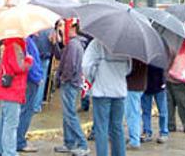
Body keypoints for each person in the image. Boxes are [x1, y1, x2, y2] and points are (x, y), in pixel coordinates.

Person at [83, 38, 131, 156]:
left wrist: (93, 78)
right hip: (119, 91)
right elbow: (128, 69)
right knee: (117, 128)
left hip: (102, 91)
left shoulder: (96, 44)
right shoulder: (125, 46)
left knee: (101, 129)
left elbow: (85, 66)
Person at [51, 21, 90, 156]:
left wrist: (63, 78)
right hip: (72, 82)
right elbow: (61, 56)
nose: (68, 30)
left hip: (70, 83)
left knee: (70, 115)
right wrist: (56, 43)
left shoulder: (74, 45)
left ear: (75, 30)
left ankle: (82, 144)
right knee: (68, 113)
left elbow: (70, 65)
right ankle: (69, 142)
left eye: (71, 28)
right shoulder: (75, 44)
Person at [0, 37, 34, 156]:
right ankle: (9, 152)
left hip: (7, 92)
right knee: (11, 124)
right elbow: (19, 67)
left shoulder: (11, 45)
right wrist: (29, 60)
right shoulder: (15, 46)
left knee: (3, 122)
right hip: (13, 91)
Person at [16, 33, 44, 153]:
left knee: (25, 110)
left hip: (30, 80)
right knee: (27, 111)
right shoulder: (27, 42)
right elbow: (31, 63)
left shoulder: (29, 41)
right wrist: (37, 78)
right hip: (30, 81)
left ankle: (19, 138)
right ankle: (20, 141)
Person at [140, 64, 168, 144]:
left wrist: (163, 82)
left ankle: (163, 132)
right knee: (146, 112)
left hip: (158, 85)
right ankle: (147, 131)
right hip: (147, 85)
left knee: (162, 112)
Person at [165, 68, 185, 133]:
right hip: (178, 79)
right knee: (183, 104)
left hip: (169, 78)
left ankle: (170, 126)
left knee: (170, 105)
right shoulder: (182, 57)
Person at [124, 60, 147, 150]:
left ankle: (134, 140)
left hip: (132, 86)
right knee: (135, 112)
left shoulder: (133, 56)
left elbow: (128, 70)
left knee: (132, 114)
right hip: (140, 85)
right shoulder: (144, 54)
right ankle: (134, 137)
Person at [31, 28, 54, 113]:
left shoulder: (35, 26)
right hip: (45, 57)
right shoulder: (50, 29)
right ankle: (36, 106)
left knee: (32, 80)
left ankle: (30, 103)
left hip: (34, 57)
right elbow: (55, 40)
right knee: (41, 82)